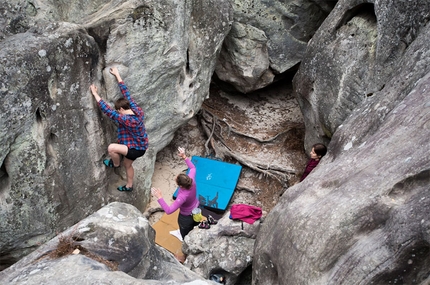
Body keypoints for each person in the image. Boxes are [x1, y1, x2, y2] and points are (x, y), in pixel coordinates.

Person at [90, 67, 148, 192]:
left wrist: (95, 94)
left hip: (135, 149)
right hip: (142, 147)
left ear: (121, 110)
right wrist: (117, 75)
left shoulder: (126, 119)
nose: (118, 114)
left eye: (119, 112)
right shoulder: (136, 110)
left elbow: (108, 111)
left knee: (111, 148)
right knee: (128, 165)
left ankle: (115, 164)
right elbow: (126, 93)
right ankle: (129, 186)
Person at [151, 147, 199, 239]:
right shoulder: (191, 180)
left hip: (186, 215)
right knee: (194, 223)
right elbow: (192, 167)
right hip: (196, 207)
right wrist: (184, 156)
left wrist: (160, 197)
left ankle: (183, 236)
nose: (175, 178)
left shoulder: (182, 196)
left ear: (181, 186)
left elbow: (169, 211)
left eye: (176, 179)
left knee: (184, 229)